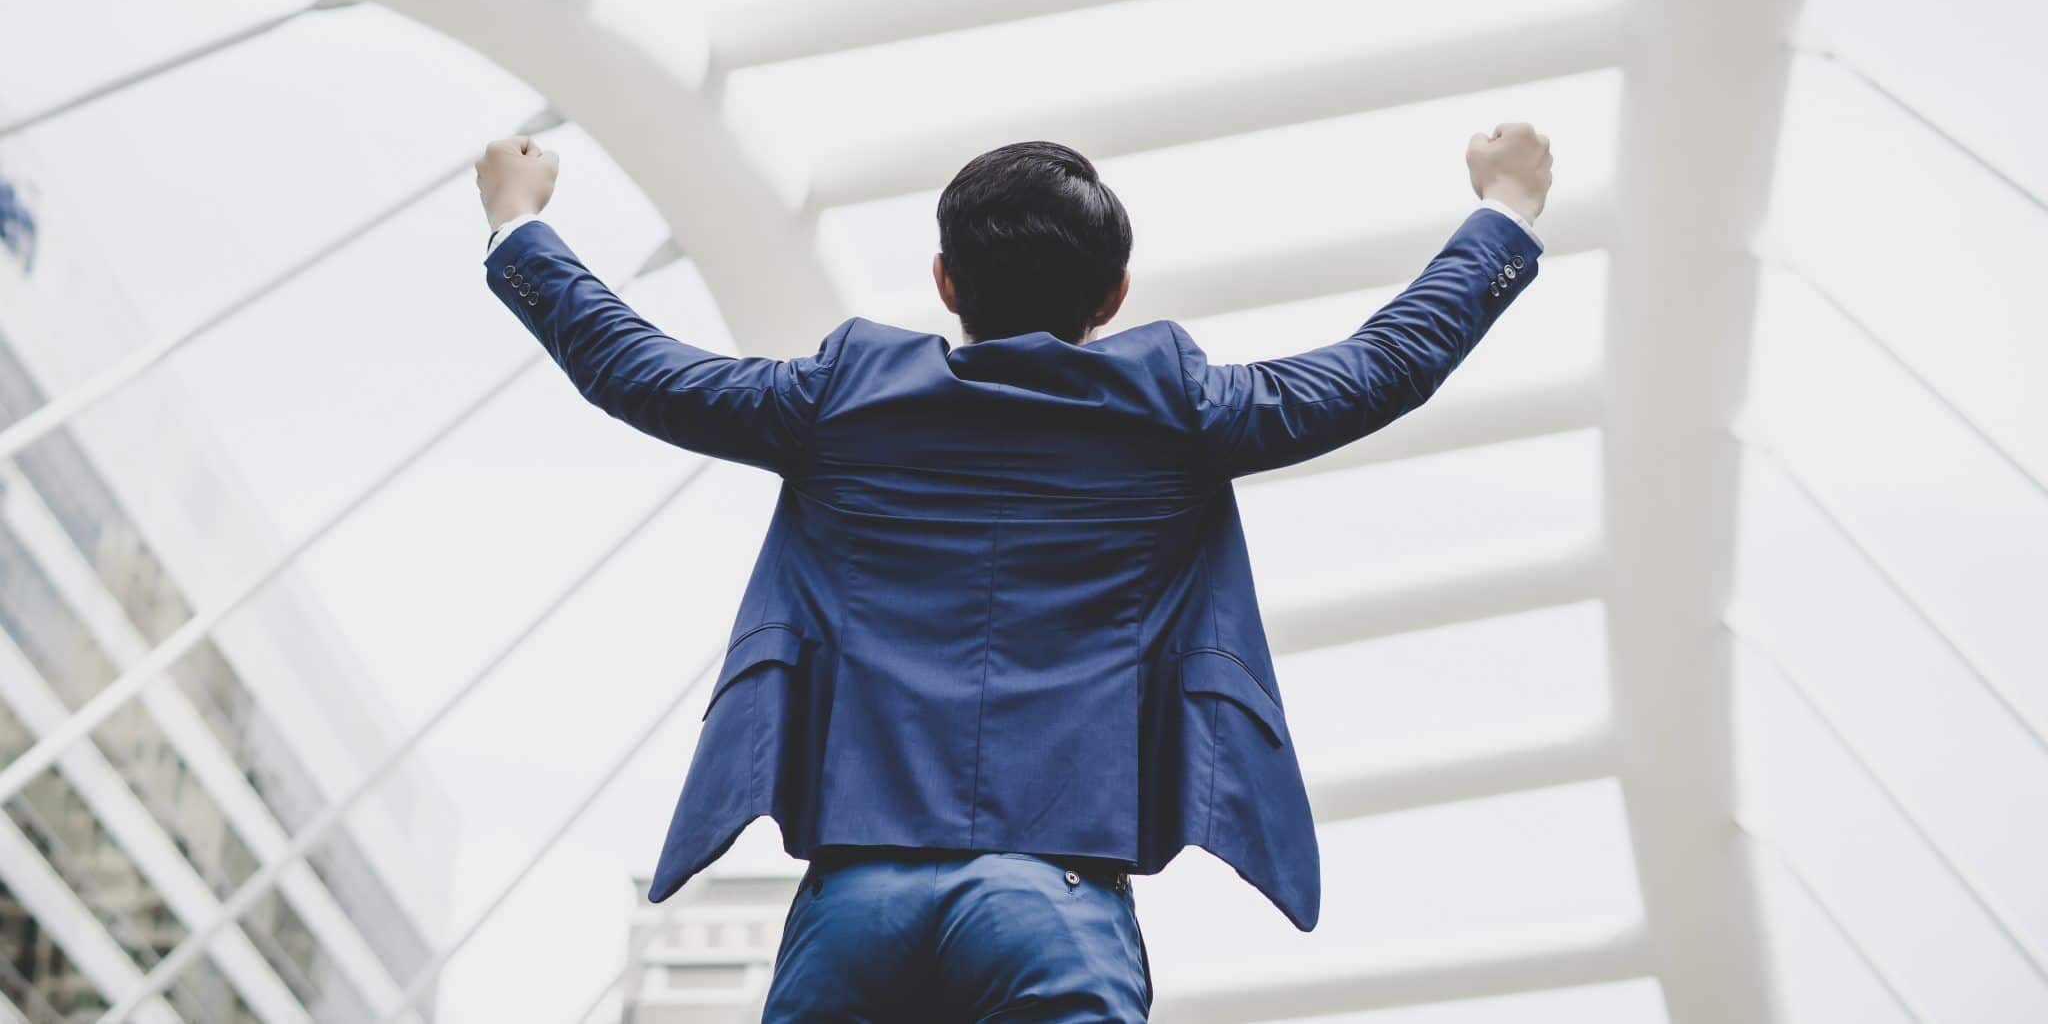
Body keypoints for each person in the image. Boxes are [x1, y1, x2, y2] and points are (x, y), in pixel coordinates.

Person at [473, 127, 1551, 1022]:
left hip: (856, 904)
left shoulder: (839, 397)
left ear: (945, 281)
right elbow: (1383, 366)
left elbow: (636, 367)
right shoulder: (1177, 408)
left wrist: (519, 221)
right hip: (1058, 903)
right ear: (1113, 295)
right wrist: (1504, 208)